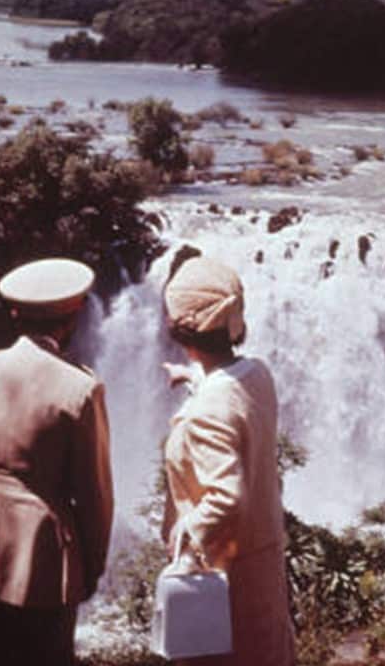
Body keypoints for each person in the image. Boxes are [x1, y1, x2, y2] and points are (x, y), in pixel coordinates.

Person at [0, 258, 113, 666]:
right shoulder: (80, 388)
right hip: (42, 550)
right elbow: (93, 490)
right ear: (74, 316)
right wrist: (92, 563)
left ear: (15, 313)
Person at [160, 254, 296, 666]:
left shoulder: (207, 411)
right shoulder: (257, 374)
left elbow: (225, 495)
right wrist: (192, 378)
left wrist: (184, 548)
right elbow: (227, 396)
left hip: (223, 576)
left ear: (179, 328)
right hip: (263, 557)